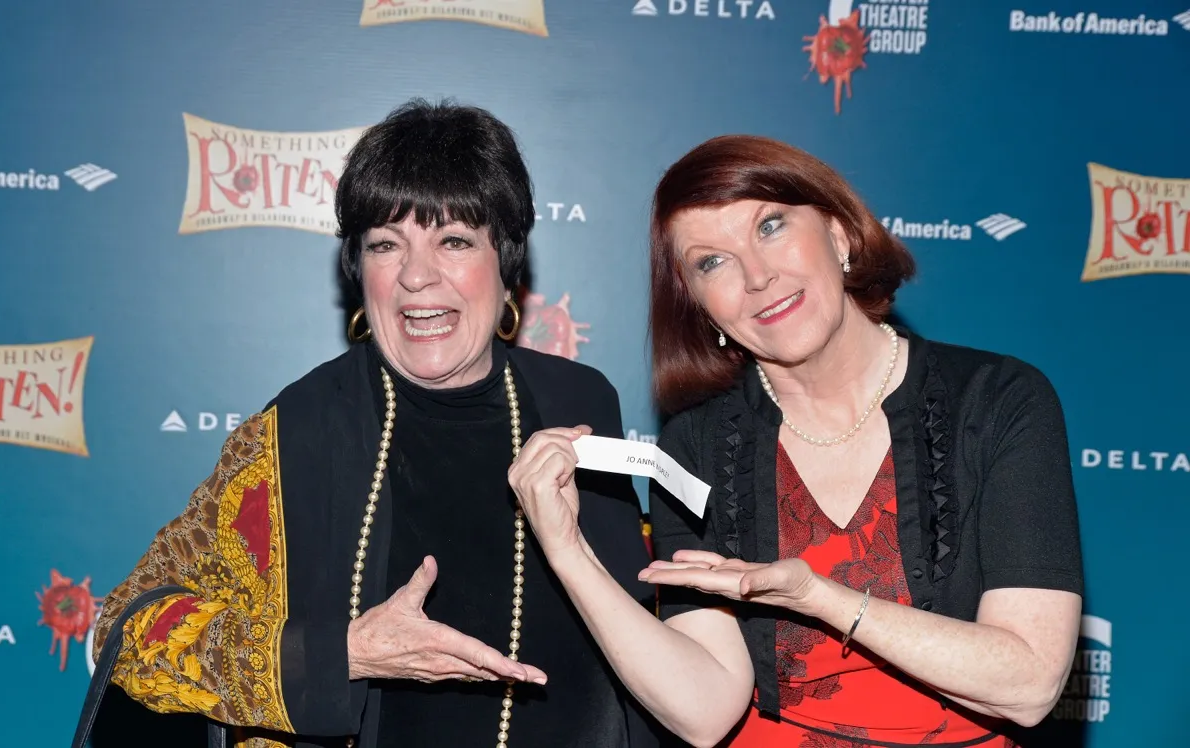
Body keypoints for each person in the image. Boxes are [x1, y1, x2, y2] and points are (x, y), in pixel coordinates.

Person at [90, 99, 662, 748]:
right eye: (386, 245)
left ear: (506, 264)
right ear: (358, 270)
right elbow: (129, 635)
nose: (416, 276)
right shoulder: (296, 434)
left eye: (453, 241)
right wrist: (344, 654)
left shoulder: (580, 402)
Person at [507, 135, 1083, 747]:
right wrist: (568, 550)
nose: (757, 276)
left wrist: (818, 597)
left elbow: (1030, 684)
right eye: (712, 262)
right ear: (699, 305)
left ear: (839, 234)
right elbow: (703, 714)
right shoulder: (697, 442)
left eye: (771, 226)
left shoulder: (997, 401)